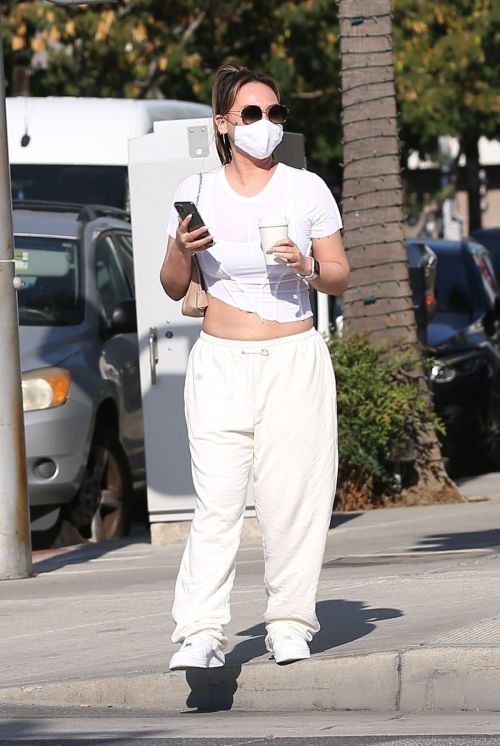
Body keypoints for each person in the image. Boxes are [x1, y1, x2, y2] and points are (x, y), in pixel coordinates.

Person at [160, 63, 350, 670]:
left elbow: (340, 274)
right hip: (220, 361)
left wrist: (306, 267)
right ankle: (200, 631)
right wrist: (177, 249)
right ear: (224, 124)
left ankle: (290, 622)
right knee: (216, 500)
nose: (265, 124)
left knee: (293, 496)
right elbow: (172, 287)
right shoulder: (200, 190)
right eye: (251, 114)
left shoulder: (305, 188)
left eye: (275, 113)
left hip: (294, 355)